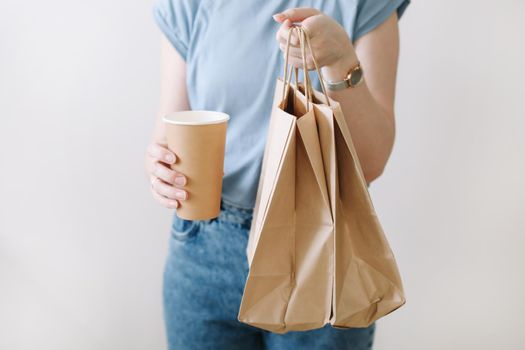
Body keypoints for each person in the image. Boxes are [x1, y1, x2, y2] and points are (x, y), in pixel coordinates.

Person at [145, 1, 410, 349]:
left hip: (320, 244)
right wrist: (161, 168)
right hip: (203, 244)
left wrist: (339, 61)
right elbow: (171, 128)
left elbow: (372, 161)